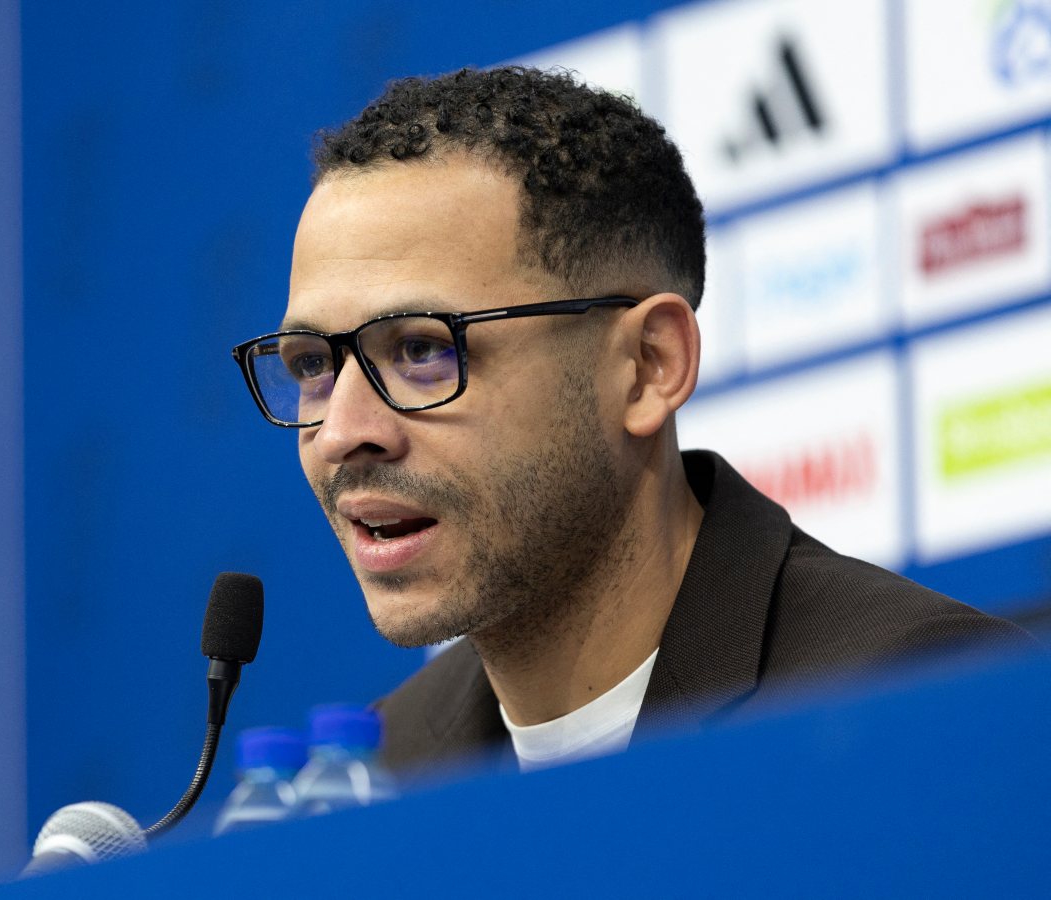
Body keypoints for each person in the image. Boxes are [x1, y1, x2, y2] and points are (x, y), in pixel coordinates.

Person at [232, 66, 1034, 780]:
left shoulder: (920, 703)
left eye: (420, 350)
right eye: (312, 365)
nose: (342, 432)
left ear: (649, 366)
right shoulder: (386, 772)